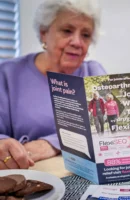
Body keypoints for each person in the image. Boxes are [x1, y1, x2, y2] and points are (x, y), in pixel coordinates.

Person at [0, 0, 106, 170]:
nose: (77, 42)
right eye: (67, 31)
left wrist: (50, 144)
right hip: (26, 176)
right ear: (43, 33)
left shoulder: (94, 72)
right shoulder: (7, 74)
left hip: (81, 175)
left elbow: (108, 129)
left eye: (85, 35)